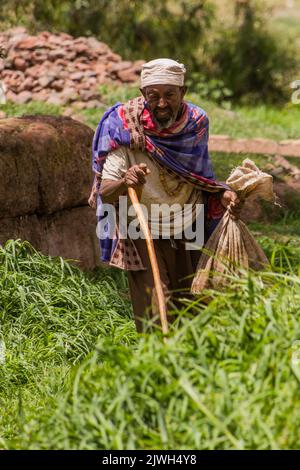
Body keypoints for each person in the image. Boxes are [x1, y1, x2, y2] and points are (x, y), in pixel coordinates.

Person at [89, 58, 242, 332]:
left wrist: (222, 193)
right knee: (155, 306)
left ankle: (192, 367)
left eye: (169, 95)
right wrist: (125, 180)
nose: (161, 103)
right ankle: (157, 367)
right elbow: (106, 191)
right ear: (143, 95)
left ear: (182, 92)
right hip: (142, 225)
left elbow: (199, 176)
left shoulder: (196, 123)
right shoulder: (123, 127)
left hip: (188, 221)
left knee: (193, 305)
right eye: (153, 96)